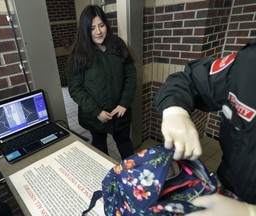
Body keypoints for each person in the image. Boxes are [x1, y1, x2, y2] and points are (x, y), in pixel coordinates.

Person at [153, 39, 256, 215]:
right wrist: (175, 110)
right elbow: (191, 79)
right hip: (227, 184)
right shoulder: (249, 62)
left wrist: (249, 212)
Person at [67, 5, 136, 159]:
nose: (98, 32)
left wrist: (124, 103)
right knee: (100, 147)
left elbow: (130, 75)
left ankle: (132, 178)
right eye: (92, 28)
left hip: (120, 113)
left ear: (106, 25)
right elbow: (75, 89)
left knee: (125, 144)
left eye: (101, 25)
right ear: (85, 29)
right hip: (94, 117)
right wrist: (97, 112)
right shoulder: (78, 54)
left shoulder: (118, 45)